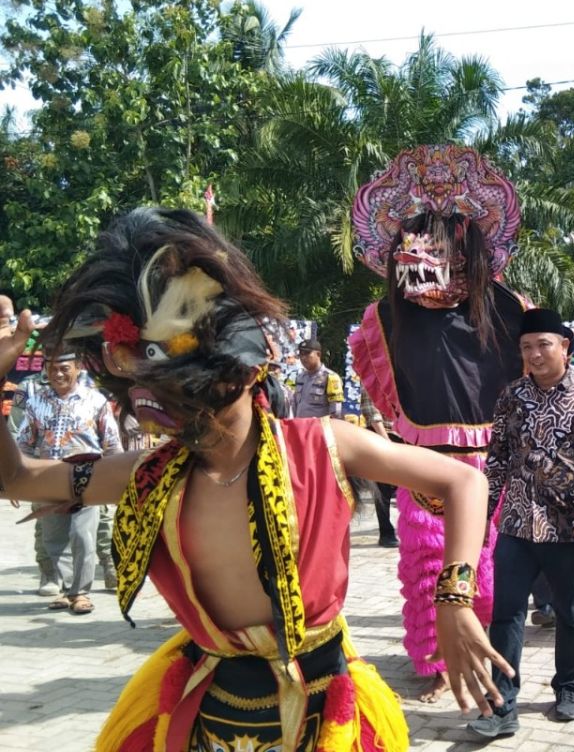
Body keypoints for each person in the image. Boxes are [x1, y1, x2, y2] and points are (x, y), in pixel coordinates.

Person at [0, 208, 511, 751]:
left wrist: (454, 599)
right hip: (209, 712)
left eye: (190, 393)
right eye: (160, 398)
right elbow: (16, 477)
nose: (183, 417)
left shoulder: (324, 444)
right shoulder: (149, 475)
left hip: (323, 710)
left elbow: (464, 483)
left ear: (250, 368)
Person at [349, 145, 525, 703]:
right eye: (414, 239)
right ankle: (436, 663)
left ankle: (485, 654)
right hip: (422, 459)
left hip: (488, 461)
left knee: (487, 567)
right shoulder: (385, 314)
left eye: (440, 239)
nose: (423, 251)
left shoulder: (506, 306)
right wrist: (399, 426)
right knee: (426, 568)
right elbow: (377, 374)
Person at [467, 308, 574, 739]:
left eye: (544, 344)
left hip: (567, 527)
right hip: (518, 524)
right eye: (526, 347)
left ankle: (568, 686)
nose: (535, 354)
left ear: (565, 346)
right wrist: (483, 515)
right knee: (505, 614)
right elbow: (498, 456)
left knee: (571, 614)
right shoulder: (512, 396)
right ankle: (502, 702)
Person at [17, 350, 123, 613]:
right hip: (47, 478)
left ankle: (81, 593)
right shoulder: (34, 403)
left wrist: (118, 481)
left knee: (83, 536)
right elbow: (24, 445)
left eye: (64, 367)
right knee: (55, 539)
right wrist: (16, 482)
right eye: (52, 368)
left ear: (77, 367)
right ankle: (66, 591)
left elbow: (111, 444)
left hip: (87, 478)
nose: (58, 373)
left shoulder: (96, 401)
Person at [358, 389, 398, 548]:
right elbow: (372, 413)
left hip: (404, 436)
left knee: (410, 490)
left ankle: (413, 530)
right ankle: (386, 532)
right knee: (382, 489)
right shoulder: (372, 378)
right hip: (380, 436)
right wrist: (387, 442)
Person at [291, 337, 344, 419]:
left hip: (319, 429)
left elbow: (336, 412)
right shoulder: (300, 378)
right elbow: (295, 405)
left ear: (318, 354)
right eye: (301, 354)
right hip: (300, 427)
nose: (303, 357)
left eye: (307, 353)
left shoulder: (330, 377)